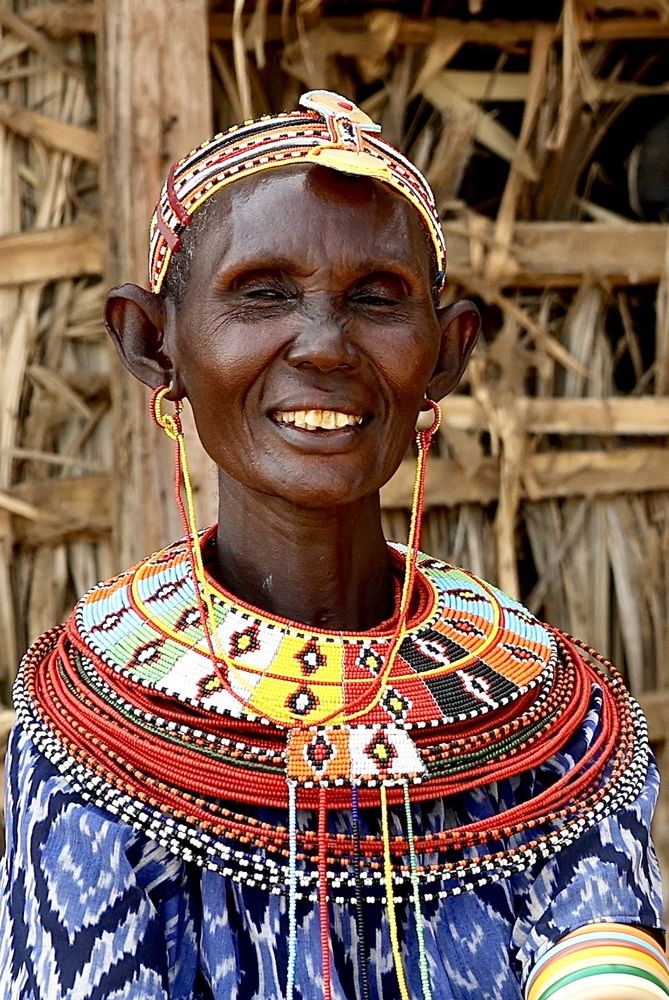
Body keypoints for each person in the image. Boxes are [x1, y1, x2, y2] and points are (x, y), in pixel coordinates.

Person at [0, 90, 666, 1000]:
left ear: (446, 354)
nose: (324, 346)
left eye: (377, 300)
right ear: (154, 343)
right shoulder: (92, 725)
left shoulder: (555, 723)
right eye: (263, 293)